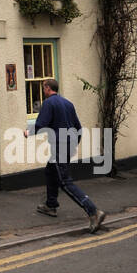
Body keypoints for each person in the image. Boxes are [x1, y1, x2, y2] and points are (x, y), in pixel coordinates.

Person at [25, 78, 106, 233]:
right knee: (50, 171)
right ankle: (51, 205)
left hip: (60, 147)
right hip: (68, 145)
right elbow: (78, 128)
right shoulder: (68, 103)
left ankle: (93, 211)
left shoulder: (49, 103)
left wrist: (28, 132)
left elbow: (41, 125)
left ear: (48, 88)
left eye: (44, 88)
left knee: (65, 181)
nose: (43, 91)